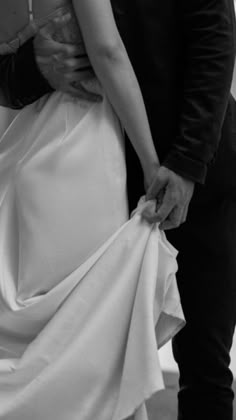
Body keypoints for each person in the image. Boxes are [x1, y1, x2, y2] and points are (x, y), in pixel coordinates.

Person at [0, 1, 236, 419]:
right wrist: (32, 68)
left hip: (187, 170)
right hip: (88, 176)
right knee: (87, 356)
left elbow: (215, 42)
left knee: (205, 361)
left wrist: (185, 163)